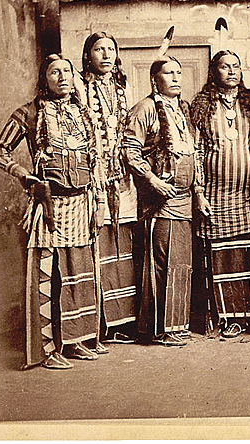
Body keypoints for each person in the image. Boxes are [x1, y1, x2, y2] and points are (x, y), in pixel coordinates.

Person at [0, 54, 100, 369]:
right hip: (48, 204)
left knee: (77, 274)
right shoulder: (28, 113)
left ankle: (74, 341)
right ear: (44, 79)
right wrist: (25, 175)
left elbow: (93, 159)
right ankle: (48, 350)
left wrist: (97, 197)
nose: (63, 77)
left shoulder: (84, 114)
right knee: (47, 275)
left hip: (81, 202)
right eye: (55, 72)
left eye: (67, 71)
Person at [191, 50, 250, 339]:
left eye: (236, 65)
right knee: (224, 260)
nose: (231, 71)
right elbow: (197, 151)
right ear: (213, 72)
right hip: (215, 195)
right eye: (225, 66)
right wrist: (199, 193)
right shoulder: (201, 106)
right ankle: (231, 317)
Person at [122, 54, 196, 347]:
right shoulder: (145, 108)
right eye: (168, 73)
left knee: (181, 263)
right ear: (155, 79)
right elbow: (129, 150)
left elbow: (194, 153)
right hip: (159, 201)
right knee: (160, 262)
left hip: (185, 199)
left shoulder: (183, 110)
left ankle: (176, 325)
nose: (176, 78)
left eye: (179, 72)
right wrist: (153, 180)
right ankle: (157, 329)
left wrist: (198, 191)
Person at [80, 32, 138, 349]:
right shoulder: (79, 88)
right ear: (87, 55)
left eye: (111, 49)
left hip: (123, 177)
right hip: (94, 178)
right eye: (98, 49)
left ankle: (123, 322)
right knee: (98, 245)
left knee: (123, 244)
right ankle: (98, 323)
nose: (106, 54)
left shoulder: (121, 89)